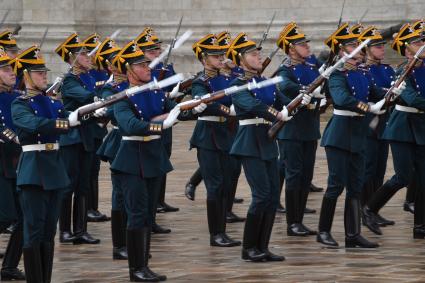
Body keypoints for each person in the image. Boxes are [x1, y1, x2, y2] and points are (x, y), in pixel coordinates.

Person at [110, 40, 205, 281]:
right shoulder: (122, 98)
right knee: (137, 214)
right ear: (130, 72)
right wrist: (161, 123)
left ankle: (144, 264)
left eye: (146, 64)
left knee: (148, 214)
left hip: (152, 158)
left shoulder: (154, 93)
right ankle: (136, 269)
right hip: (131, 160)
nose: (147, 68)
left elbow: (176, 109)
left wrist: (194, 108)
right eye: (141, 66)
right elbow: (131, 125)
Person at [226, 32, 309, 261]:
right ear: (240, 60)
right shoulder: (237, 84)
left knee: (272, 196)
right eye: (252, 54)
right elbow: (251, 104)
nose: (258, 57)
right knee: (261, 195)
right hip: (249, 141)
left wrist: (303, 100)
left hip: (268, 141)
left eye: (258, 53)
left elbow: (285, 102)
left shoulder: (265, 82)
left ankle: (263, 246)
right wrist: (277, 113)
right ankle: (248, 248)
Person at [317, 23, 395, 248]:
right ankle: (323, 231)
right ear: (342, 51)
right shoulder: (336, 75)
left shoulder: (363, 73)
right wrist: (369, 108)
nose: (359, 51)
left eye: (358, 46)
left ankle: (353, 234)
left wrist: (392, 94)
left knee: (355, 185)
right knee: (335, 185)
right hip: (340, 135)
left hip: (359, 135)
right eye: (353, 46)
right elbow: (342, 99)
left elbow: (377, 93)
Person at [10, 45, 81, 283]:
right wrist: (63, 123)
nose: (44, 76)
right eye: (39, 73)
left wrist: (85, 114)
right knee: (34, 230)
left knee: (49, 232)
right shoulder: (20, 104)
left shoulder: (53, 103)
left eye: (44, 73)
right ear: (26, 76)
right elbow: (34, 124)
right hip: (33, 170)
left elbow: (68, 117)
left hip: (54, 169)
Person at [362, 23, 425, 239]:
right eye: (417, 43)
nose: (421, 45)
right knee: (403, 176)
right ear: (407, 51)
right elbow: (412, 99)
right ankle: (370, 208)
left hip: (420, 127)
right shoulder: (401, 72)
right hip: (401, 128)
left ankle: (420, 227)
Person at [190, 33, 241, 247]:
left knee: (226, 183)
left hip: (227, 134)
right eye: (215, 56)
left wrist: (234, 66)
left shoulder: (228, 77)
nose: (220, 59)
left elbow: (243, 85)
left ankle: (223, 230)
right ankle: (216, 234)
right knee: (215, 185)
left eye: (221, 55)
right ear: (204, 60)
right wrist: (227, 109)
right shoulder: (200, 81)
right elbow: (205, 102)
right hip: (208, 136)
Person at [275, 22, 324, 237]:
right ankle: (292, 222)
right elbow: (287, 87)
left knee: (306, 175)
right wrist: (307, 92)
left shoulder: (312, 68)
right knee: (294, 175)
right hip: (292, 130)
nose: (307, 48)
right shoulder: (285, 70)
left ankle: (300, 220)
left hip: (309, 128)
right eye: (302, 45)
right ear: (291, 49)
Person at [55, 33, 101, 245]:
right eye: (83, 54)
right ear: (72, 59)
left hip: (88, 136)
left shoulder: (89, 77)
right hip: (71, 138)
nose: (89, 56)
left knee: (83, 184)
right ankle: (64, 230)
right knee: (68, 185)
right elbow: (87, 97)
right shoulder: (69, 81)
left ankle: (81, 229)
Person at [94, 37, 129, 260]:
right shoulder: (109, 88)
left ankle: (133, 241)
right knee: (119, 194)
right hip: (119, 140)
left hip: (137, 142)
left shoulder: (135, 85)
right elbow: (114, 110)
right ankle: (119, 245)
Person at [0, 47, 25, 281]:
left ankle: (9, 266)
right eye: (6, 69)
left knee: (23, 217)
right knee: (5, 216)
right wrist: (16, 138)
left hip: (17, 163)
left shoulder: (16, 96)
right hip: (1, 163)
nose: (12, 73)